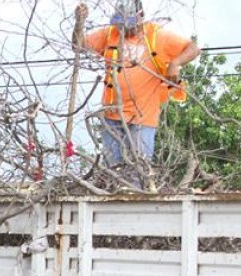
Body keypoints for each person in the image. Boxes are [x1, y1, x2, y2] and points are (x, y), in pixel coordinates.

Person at [80, 2, 200, 169]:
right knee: (112, 173)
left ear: (140, 16)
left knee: (139, 171)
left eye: (128, 24)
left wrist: (175, 63)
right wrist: (79, 23)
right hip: (112, 116)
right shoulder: (110, 34)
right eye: (121, 24)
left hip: (142, 117)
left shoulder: (155, 35)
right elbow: (78, 46)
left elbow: (193, 48)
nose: (124, 29)